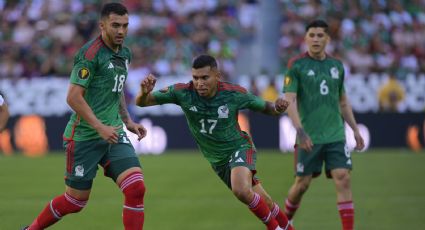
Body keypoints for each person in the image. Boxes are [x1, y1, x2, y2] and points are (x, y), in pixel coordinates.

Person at [24, 3, 147, 230]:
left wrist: (127, 120)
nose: (121, 31)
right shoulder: (90, 54)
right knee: (75, 201)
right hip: (84, 137)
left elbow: (116, 89)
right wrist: (100, 127)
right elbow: (72, 97)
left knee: (136, 189)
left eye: (125, 26)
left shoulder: (125, 53)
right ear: (102, 26)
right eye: (115, 25)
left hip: (113, 133)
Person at [136, 54, 293, 230]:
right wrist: (144, 92)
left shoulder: (233, 94)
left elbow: (267, 108)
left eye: (205, 77)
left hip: (239, 147)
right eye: (195, 78)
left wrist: (277, 107)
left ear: (217, 76)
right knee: (266, 202)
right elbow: (143, 103)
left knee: (241, 190)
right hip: (217, 161)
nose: (199, 83)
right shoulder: (182, 92)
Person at [282, 19, 365, 230]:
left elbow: (343, 102)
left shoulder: (337, 66)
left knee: (343, 178)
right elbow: (289, 100)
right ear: (305, 38)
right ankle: (285, 221)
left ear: (328, 39)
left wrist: (355, 131)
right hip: (309, 135)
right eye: (312, 35)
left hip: (335, 134)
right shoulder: (296, 65)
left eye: (320, 35)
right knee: (302, 184)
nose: (316, 39)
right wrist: (300, 131)